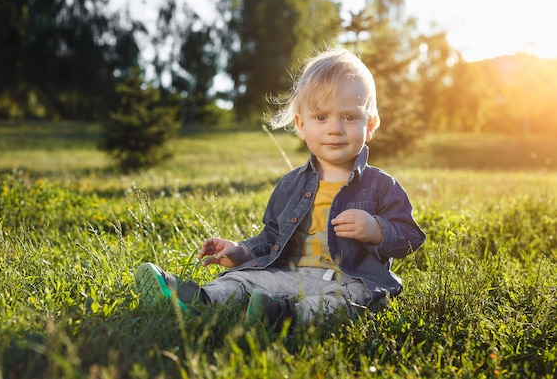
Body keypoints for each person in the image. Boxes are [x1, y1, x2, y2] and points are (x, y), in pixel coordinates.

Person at [135, 46, 426, 331]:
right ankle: (195, 299)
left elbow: (410, 237)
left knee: (354, 300)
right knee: (242, 279)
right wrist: (241, 252)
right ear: (302, 124)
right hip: (292, 273)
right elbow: (272, 235)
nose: (334, 128)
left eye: (349, 117)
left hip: (350, 280)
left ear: (370, 124)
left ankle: (283, 316)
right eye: (321, 117)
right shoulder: (291, 184)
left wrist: (376, 229)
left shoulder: (381, 186)